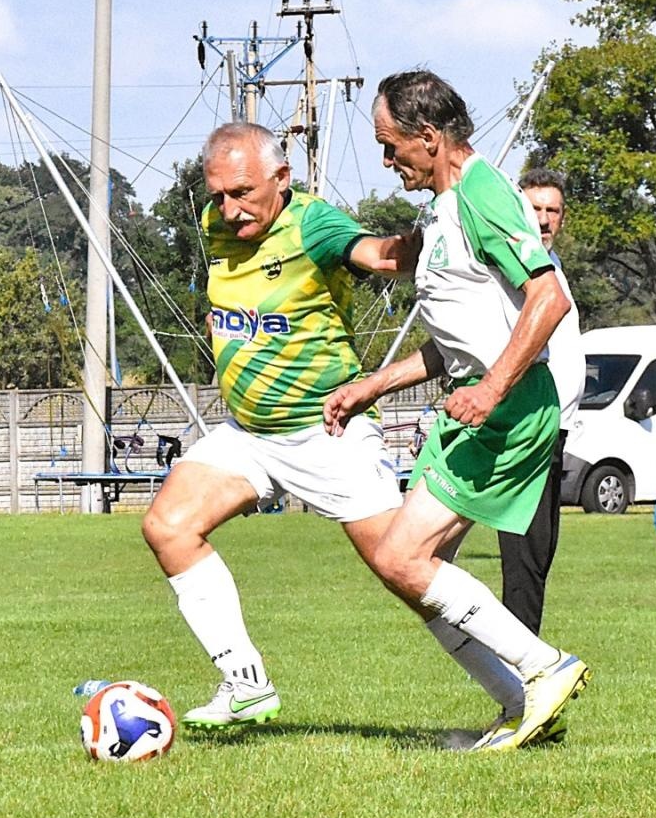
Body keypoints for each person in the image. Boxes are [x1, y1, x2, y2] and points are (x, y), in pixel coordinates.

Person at [324, 69, 589, 751]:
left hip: (508, 410)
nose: (388, 163)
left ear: (431, 137)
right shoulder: (445, 205)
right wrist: (374, 385)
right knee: (407, 571)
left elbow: (547, 300)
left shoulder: (481, 192)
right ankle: (523, 699)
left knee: (405, 559)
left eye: (392, 147)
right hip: (476, 407)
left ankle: (543, 667)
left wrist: (494, 387)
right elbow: (461, 339)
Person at [139, 121, 413, 730]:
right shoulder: (216, 228)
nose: (230, 210)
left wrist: (451, 228)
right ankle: (245, 682)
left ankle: (523, 681)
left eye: (242, 193)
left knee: (408, 573)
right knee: (168, 525)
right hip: (249, 436)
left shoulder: (313, 222)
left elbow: (378, 254)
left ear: (282, 178)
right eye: (218, 196)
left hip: (326, 434)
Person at [495, 167, 583, 635]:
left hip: (553, 430)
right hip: (526, 425)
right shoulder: (512, 269)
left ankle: (523, 653)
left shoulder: (551, 270)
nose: (544, 219)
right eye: (535, 209)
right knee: (525, 556)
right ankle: (521, 666)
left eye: (553, 210)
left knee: (539, 553)